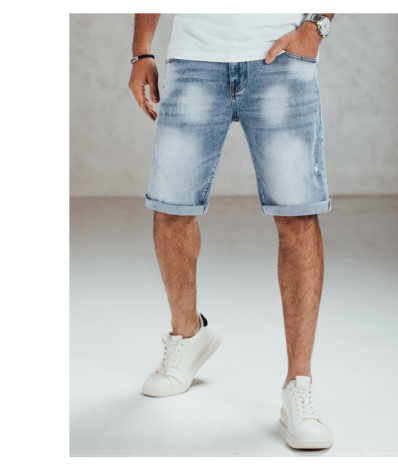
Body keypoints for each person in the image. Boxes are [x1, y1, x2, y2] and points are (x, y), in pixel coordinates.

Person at [128, 13, 335, 450]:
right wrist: (141, 50)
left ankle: (299, 385)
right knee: (170, 208)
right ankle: (188, 337)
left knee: (298, 217)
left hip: (281, 55)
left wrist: (316, 25)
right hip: (194, 56)